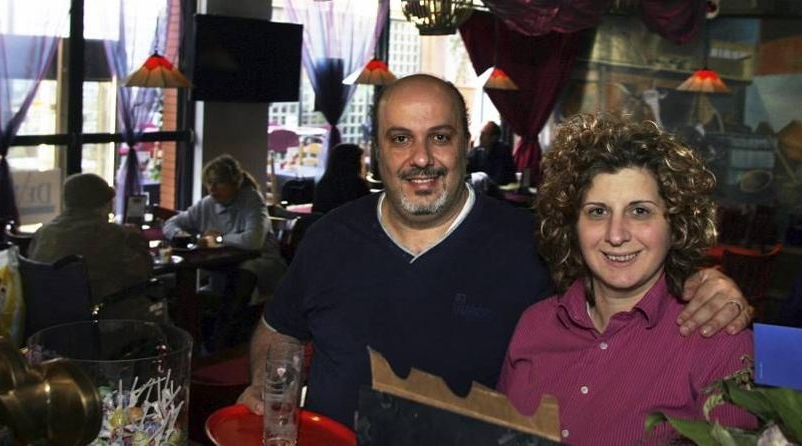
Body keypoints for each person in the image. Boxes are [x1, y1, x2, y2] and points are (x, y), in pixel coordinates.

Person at [238, 75, 751, 429]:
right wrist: (265, 388)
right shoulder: (329, 237)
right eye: (401, 139)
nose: (421, 158)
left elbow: (621, 275)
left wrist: (703, 283)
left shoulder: (533, 244)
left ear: (466, 144)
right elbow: (277, 332)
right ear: (375, 150)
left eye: (439, 137)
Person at [498, 114, 755, 445]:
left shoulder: (719, 341)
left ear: (674, 223)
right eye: (598, 212)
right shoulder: (534, 325)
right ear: (571, 226)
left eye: (640, 211)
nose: (616, 235)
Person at [163, 154, 286, 347]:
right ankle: (195, 342)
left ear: (235, 183)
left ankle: (221, 343)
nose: (212, 189)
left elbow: (253, 241)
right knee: (178, 289)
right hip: (224, 265)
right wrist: (182, 235)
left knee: (243, 275)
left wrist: (217, 238)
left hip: (264, 264)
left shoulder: (251, 200)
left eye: (219, 183)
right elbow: (171, 223)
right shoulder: (207, 204)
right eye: (209, 183)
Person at [28, 173, 160, 321]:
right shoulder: (109, 234)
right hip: (98, 318)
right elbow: (142, 273)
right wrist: (137, 239)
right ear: (102, 205)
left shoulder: (44, 232)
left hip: (48, 318)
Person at [312, 143, 370, 214]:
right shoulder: (357, 186)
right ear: (353, 162)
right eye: (360, 159)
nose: (363, 164)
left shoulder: (323, 184)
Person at [467, 120, 517, 187]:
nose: (480, 137)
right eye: (481, 133)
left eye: (484, 134)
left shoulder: (502, 151)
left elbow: (499, 178)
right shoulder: (476, 151)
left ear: (494, 138)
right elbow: (468, 171)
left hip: (500, 192)